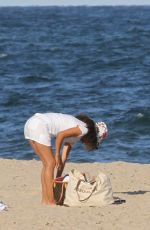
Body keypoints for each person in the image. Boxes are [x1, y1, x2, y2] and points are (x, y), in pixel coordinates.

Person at [24, 112, 108, 205]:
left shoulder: (76, 132)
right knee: (50, 163)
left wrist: (58, 178)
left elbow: (64, 158)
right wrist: (57, 155)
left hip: (30, 123)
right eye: (93, 142)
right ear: (93, 137)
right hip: (40, 125)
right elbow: (60, 135)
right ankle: (51, 201)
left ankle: (45, 200)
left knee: (47, 164)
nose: (88, 144)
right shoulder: (84, 129)